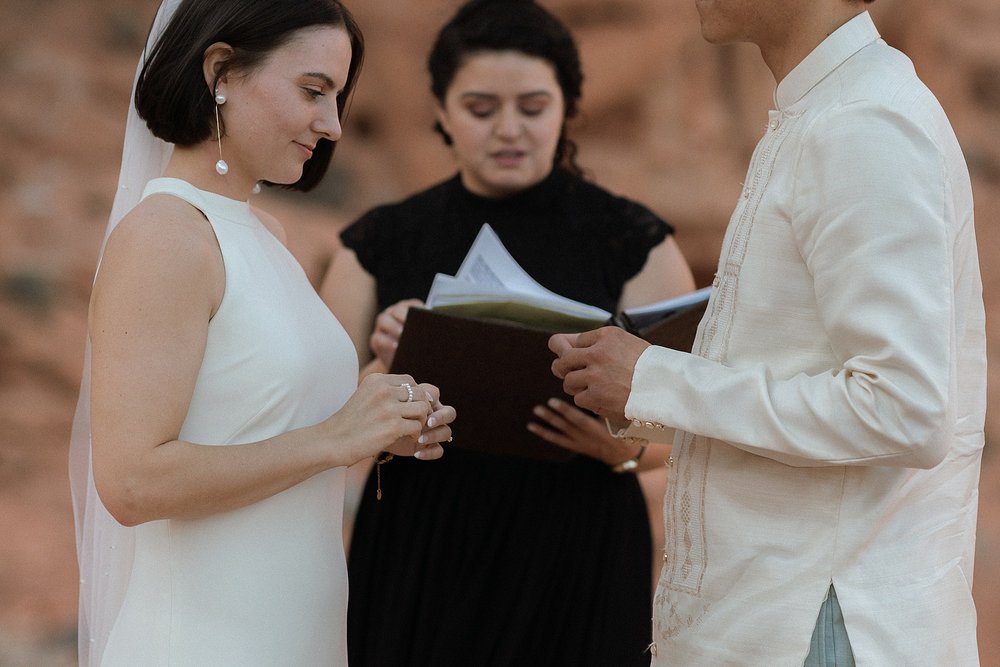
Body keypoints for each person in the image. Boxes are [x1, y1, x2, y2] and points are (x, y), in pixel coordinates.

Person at [550, 0, 987, 664]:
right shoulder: (825, 109)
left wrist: (658, 380)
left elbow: (903, 411)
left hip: (819, 621)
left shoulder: (863, 123)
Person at [68, 1, 456, 665]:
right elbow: (131, 482)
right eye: (313, 91)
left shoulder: (265, 236)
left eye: (337, 96)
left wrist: (382, 401)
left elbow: (261, 421)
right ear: (221, 70)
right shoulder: (166, 236)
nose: (332, 125)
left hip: (297, 638)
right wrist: (337, 437)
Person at [319, 0, 696, 664]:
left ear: (567, 107)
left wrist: (623, 452)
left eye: (532, 106)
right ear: (440, 109)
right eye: (481, 107)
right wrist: (385, 370)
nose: (509, 129)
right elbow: (319, 418)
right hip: (422, 540)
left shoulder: (632, 242)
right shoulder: (376, 245)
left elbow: (686, 418)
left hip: (578, 544)